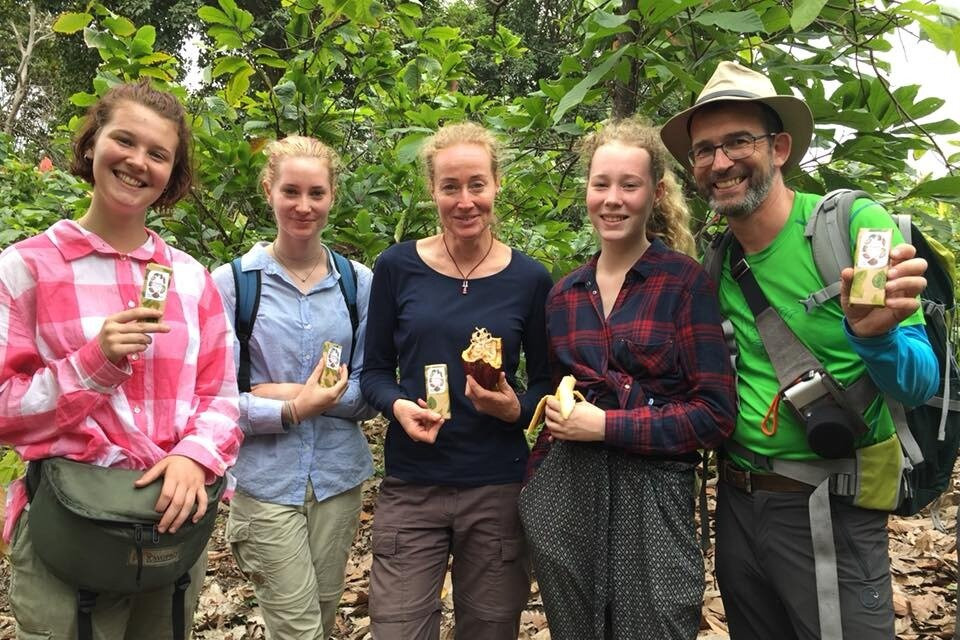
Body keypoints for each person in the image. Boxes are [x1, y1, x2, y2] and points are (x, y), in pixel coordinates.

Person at [660, 61, 940, 639]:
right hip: (737, 506)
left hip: (831, 506)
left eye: (739, 141)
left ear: (780, 147)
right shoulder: (715, 266)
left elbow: (918, 383)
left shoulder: (850, 226)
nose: (721, 163)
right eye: (705, 150)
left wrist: (874, 335)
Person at [0, 79, 242, 638]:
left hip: (169, 531)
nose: (137, 162)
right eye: (124, 141)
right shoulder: (26, 269)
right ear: (92, 145)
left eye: (158, 154)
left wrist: (195, 457)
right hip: (72, 530)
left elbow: (220, 396)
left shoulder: (189, 279)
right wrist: (95, 362)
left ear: (172, 175)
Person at [518, 117, 737, 639]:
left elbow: (715, 415)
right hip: (567, 493)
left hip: (653, 495)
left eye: (629, 185)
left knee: (658, 627)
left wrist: (608, 426)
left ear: (655, 193)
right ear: (588, 190)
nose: (613, 199)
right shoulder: (565, 294)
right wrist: (536, 484)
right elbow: (555, 396)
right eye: (601, 184)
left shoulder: (682, 282)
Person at [360, 121, 553, 639]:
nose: (465, 201)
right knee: (398, 629)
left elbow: (547, 381)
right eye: (451, 187)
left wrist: (516, 410)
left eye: (476, 185)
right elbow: (374, 371)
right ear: (433, 191)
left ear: (496, 186)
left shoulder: (530, 279)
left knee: (489, 629)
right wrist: (399, 407)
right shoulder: (398, 267)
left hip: (496, 484)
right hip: (413, 483)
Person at [210, 135, 376, 640]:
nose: (304, 206)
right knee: (298, 628)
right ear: (269, 190)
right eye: (291, 191)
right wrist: (292, 408)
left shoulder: (358, 283)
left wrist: (297, 395)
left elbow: (371, 387)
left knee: (323, 615)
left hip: (338, 480)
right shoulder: (233, 284)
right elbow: (216, 401)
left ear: (332, 197)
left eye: (317, 193)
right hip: (264, 483)